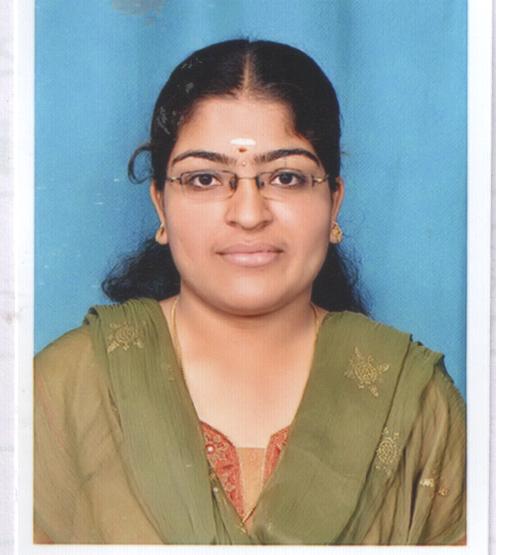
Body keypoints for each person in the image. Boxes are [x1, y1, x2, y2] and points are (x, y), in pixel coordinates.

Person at [34, 39, 466, 545]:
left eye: (285, 177)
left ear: (334, 202)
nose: (247, 213)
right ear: (160, 205)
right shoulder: (64, 390)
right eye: (204, 179)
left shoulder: (416, 403)